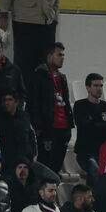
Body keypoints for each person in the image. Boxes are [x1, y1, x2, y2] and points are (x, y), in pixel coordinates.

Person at [27, 43, 73, 174]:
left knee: (57, 167)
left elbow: (66, 102)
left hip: (63, 128)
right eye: (59, 55)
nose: (62, 58)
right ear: (49, 56)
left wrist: (69, 125)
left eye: (63, 55)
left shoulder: (62, 77)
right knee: (44, 166)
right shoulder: (38, 76)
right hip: (48, 128)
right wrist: (38, 128)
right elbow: (33, 103)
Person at [72, 73, 106, 185]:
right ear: (88, 88)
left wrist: (95, 125)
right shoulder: (80, 105)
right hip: (86, 153)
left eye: (101, 86)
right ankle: (96, 197)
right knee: (94, 166)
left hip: (105, 152)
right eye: (96, 85)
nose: (99, 89)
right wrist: (103, 126)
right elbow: (85, 128)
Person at [0, 90, 36, 166]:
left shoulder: (24, 116)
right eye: (4, 100)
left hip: (25, 159)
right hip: (7, 161)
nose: (6, 103)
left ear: (16, 102)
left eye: (10, 99)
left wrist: (32, 154)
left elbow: (31, 136)